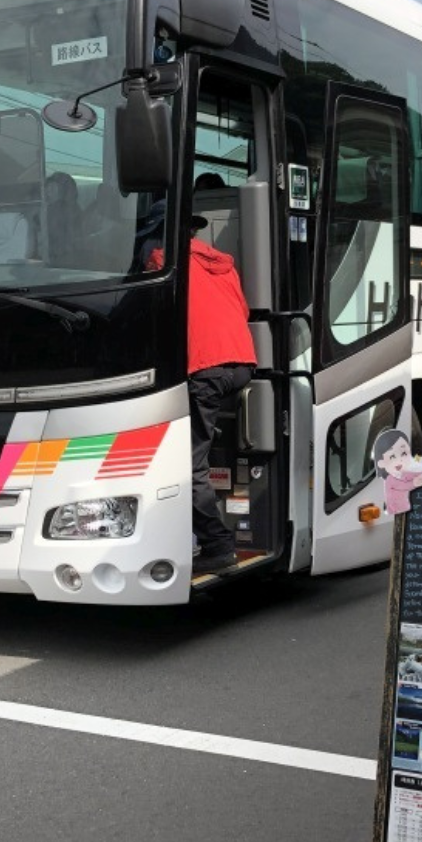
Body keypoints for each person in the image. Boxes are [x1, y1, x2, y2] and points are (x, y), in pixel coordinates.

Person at [147, 215, 256, 574]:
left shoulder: (162, 260)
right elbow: (242, 311)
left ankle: (217, 545)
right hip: (241, 364)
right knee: (203, 450)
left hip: (205, 368)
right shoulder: (222, 263)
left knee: (188, 466)